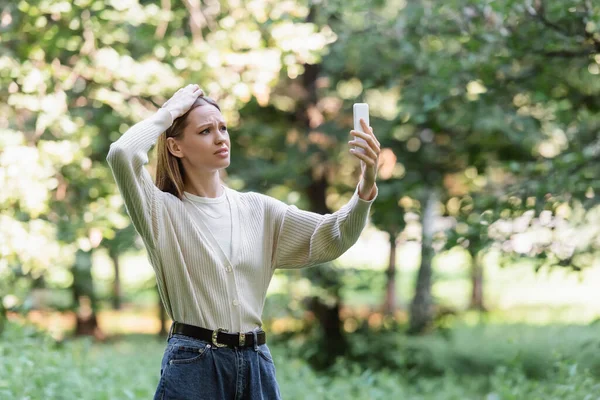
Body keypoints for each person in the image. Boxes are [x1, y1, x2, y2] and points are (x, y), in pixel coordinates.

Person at [106, 84, 380, 399]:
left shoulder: (260, 210)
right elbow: (121, 154)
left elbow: (334, 235)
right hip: (194, 365)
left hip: (256, 364)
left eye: (223, 128)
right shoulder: (161, 211)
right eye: (206, 131)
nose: (220, 137)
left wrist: (366, 185)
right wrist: (168, 112)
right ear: (175, 147)